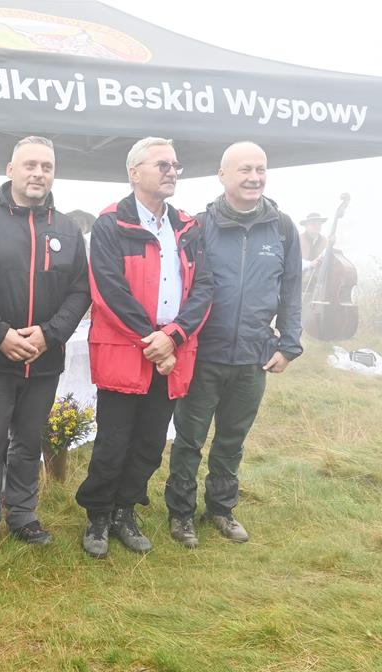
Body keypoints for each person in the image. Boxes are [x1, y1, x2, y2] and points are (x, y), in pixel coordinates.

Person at [76, 137, 213, 558]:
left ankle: (125, 510)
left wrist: (173, 337)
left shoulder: (187, 226)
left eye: (175, 165)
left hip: (171, 347)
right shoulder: (110, 223)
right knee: (114, 439)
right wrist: (152, 340)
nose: (172, 172)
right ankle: (98, 514)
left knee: (151, 441)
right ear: (134, 173)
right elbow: (108, 289)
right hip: (127, 347)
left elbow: (204, 288)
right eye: (162, 165)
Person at [0, 136, 90, 559]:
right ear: (10, 169)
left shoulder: (67, 229)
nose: (38, 173)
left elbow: (80, 290)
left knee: (29, 442)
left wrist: (50, 334)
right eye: (30, 165)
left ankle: (23, 514)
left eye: (46, 166)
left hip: (44, 359)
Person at [166, 141, 301, 549]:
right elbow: (180, 287)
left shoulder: (282, 228)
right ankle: (180, 513)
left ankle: (221, 509)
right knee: (189, 439)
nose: (254, 178)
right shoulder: (199, 226)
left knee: (231, 440)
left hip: (252, 357)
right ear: (222, 175)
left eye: (260, 169)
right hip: (202, 354)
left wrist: (289, 344)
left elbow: (291, 289)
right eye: (245, 170)